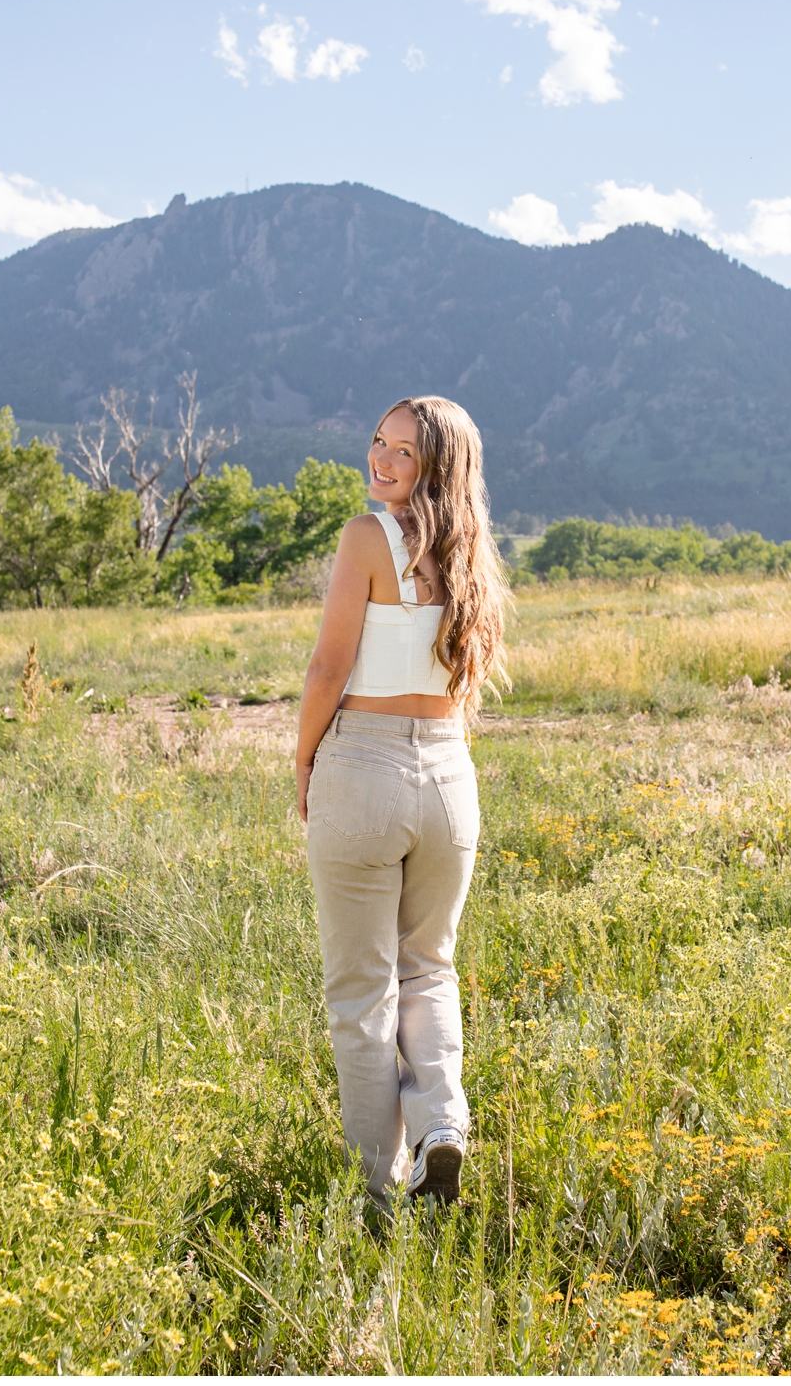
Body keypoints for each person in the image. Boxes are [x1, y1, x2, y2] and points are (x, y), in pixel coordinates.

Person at [293, 395, 510, 1211]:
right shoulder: (473, 557)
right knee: (430, 967)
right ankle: (441, 1124)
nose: (381, 460)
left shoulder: (367, 537)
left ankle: (376, 1195)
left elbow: (327, 669)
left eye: (403, 453)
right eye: (378, 442)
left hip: (366, 765)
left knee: (362, 990)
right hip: (450, 777)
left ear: (435, 468)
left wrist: (303, 756)